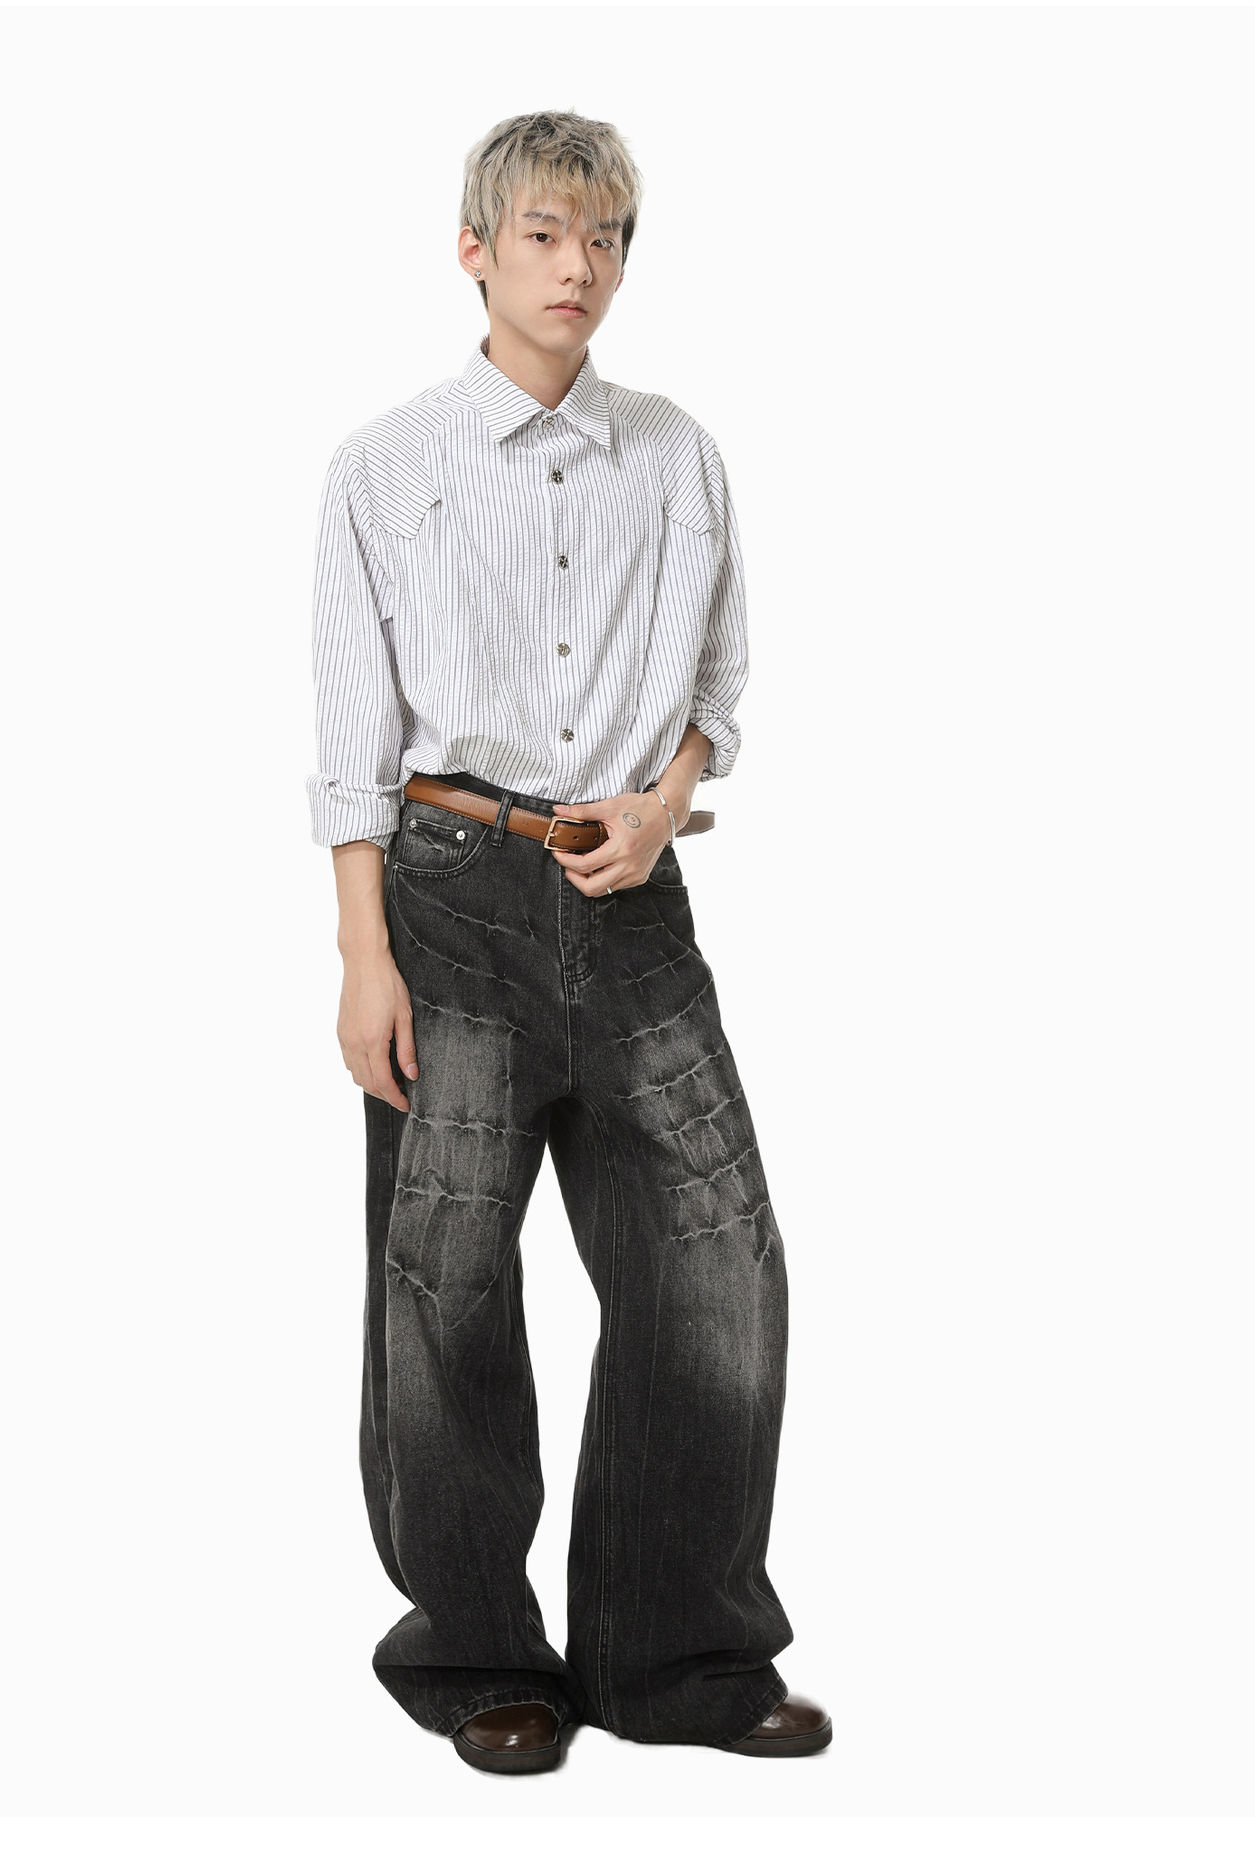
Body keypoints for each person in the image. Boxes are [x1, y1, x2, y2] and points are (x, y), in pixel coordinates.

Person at [307, 109, 830, 1775]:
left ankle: (677, 1659)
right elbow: (350, 734)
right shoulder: (384, 465)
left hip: (635, 901)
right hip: (448, 897)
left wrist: (665, 806)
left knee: (717, 1270)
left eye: (604, 238)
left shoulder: (677, 455)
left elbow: (718, 685)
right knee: (443, 1288)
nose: (578, 265)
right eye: (544, 233)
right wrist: (363, 956)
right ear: (475, 251)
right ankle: (478, 1659)